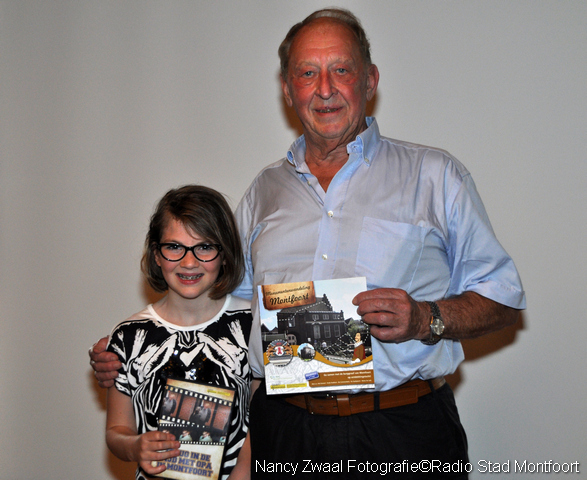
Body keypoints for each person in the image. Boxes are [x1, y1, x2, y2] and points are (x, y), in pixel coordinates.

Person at [92, 8, 526, 479]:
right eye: (307, 73)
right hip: (285, 432)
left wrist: (426, 318)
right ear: (287, 89)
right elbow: (222, 308)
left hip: (402, 429)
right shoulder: (263, 192)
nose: (324, 88)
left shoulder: (435, 176)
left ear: (370, 80)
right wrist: (135, 352)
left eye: (341, 69)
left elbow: (503, 299)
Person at [104, 185, 252, 480]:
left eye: (205, 247)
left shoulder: (252, 325)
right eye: (174, 247)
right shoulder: (128, 336)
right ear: (156, 255)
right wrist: (135, 447)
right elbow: (116, 430)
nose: (189, 262)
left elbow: (263, 420)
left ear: (225, 254)